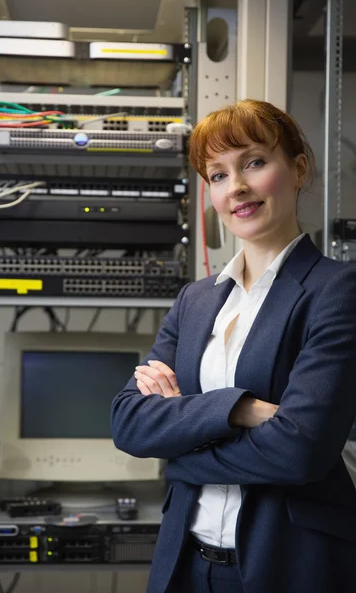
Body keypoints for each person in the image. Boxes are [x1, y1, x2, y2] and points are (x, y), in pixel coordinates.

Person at [111, 99, 356, 593]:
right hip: (185, 563)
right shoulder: (196, 300)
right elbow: (128, 422)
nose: (236, 187)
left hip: (288, 564)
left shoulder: (338, 291)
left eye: (254, 163)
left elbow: (299, 451)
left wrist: (180, 453)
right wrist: (239, 410)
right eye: (218, 175)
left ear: (297, 169)